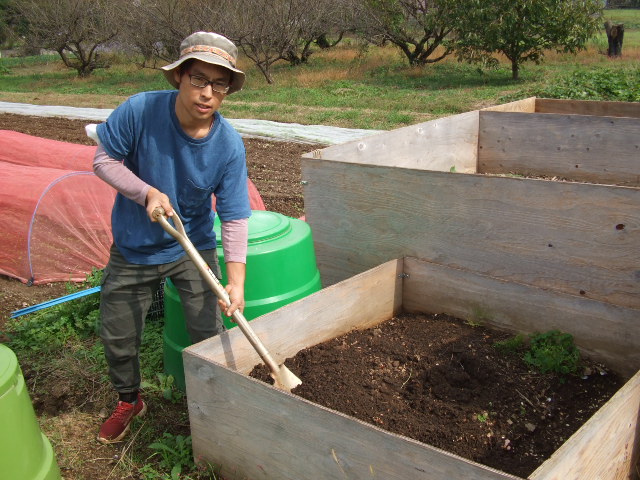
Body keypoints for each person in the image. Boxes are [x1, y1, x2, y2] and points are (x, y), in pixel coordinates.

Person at [92, 31, 251, 444]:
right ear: (180, 76)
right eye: (199, 79)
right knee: (119, 333)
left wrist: (236, 282)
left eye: (219, 84)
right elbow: (103, 159)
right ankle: (129, 400)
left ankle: (216, 401)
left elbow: (233, 215)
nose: (207, 93)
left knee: (210, 331)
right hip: (135, 246)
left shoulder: (229, 146)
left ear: (228, 89)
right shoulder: (141, 110)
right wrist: (145, 191)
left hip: (192, 245)